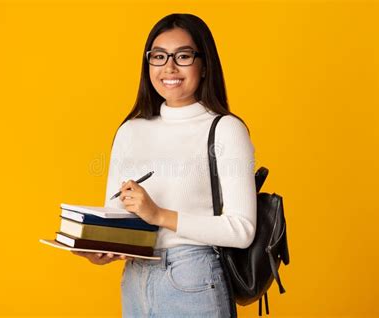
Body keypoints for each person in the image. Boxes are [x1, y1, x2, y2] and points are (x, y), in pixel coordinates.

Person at [72, 13, 257, 318]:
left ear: (205, 64)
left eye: (182, 56)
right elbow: (116, 212)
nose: (169, 67)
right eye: (158, 56)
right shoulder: (130, 130)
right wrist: (102, 247)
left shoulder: (224, 129)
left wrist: (159, 214)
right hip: (135, 279)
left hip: (193, 277)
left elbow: (242, 230)